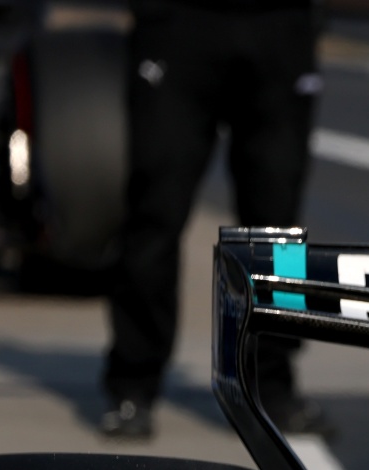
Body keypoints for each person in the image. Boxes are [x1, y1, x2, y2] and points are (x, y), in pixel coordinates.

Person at [102, 0, 326, 437]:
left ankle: (272, 384)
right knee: (154, 212)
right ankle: (133, 383)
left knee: (276, 226)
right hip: (178, 24)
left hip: (281, 25)